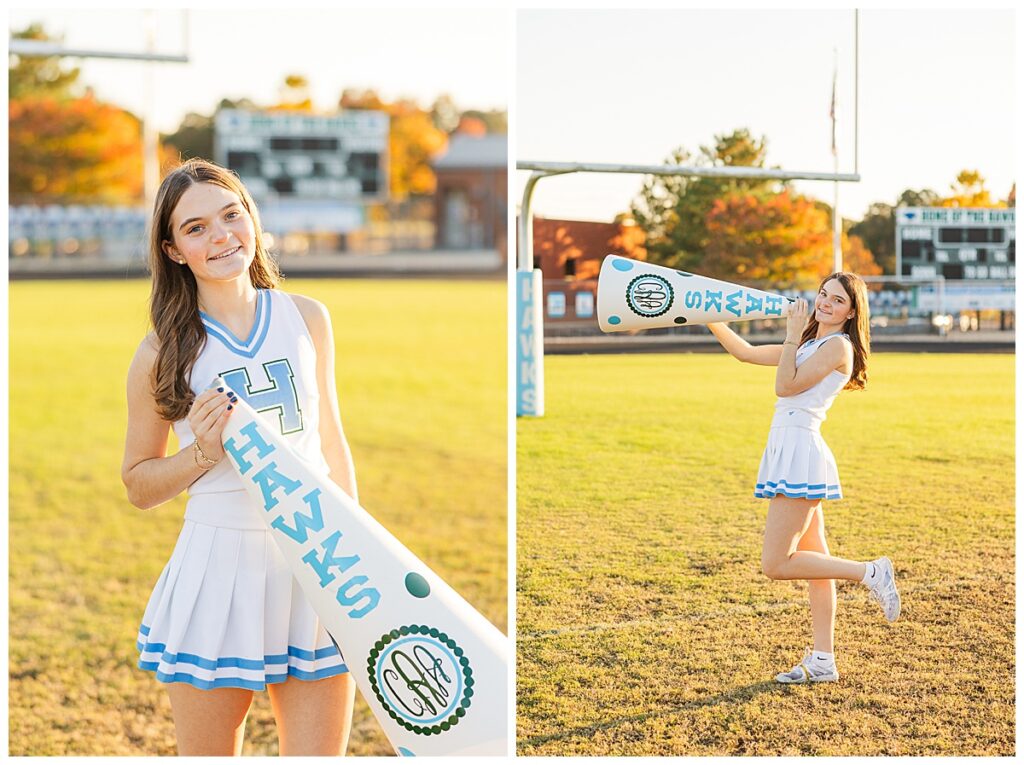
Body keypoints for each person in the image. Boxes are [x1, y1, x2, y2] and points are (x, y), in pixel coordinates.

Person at [121, 158, 357, 754]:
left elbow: (330, 440)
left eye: (231, 215)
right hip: (219, 567)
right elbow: (139, 484)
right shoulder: (162, 352)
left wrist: (354, 544)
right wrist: (200, 452)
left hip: (316, 556)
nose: (221, 235)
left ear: (252, 220)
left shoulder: (306, 316)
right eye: (195, 227)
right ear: (173, 250)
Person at [707, 272, 900, 684]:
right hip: (789, 450)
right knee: (816, 567)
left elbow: (785, 385)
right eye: (822, 294)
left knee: (775, 564)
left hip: (800, 452)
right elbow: (743, 352)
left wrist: (793, 333)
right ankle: (823, 661)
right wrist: (703, 314)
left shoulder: (837, 347)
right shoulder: (814, 343)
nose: (825, 303)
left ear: (851, 313)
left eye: (837, 300)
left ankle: (871, 572)